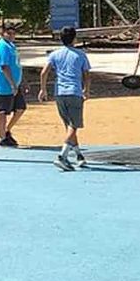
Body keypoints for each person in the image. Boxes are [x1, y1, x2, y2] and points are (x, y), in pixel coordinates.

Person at [39, 26, 91, 172]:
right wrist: (86, 90)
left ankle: (79, 156)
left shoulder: (55, 54)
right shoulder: (80, 55)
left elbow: (44, 72)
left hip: (60, 92)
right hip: (74, 92)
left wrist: (43, 89)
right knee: (74, 125)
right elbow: (87, 74)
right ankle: (62, 156)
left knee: (69, 125)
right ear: (75, 39)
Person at [0, 21, 26, 147]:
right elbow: (4, 67)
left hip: (14, 84)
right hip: (4, 84)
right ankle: (1, 137)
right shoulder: (2, 47)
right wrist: (12, 84)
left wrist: (22, 81)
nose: (11, 36)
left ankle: (6, 130)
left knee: (20, 108)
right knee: (3, 111)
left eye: (13, 33)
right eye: (8, 33)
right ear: (2, 33)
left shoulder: (11, 46)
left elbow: (16, 65)